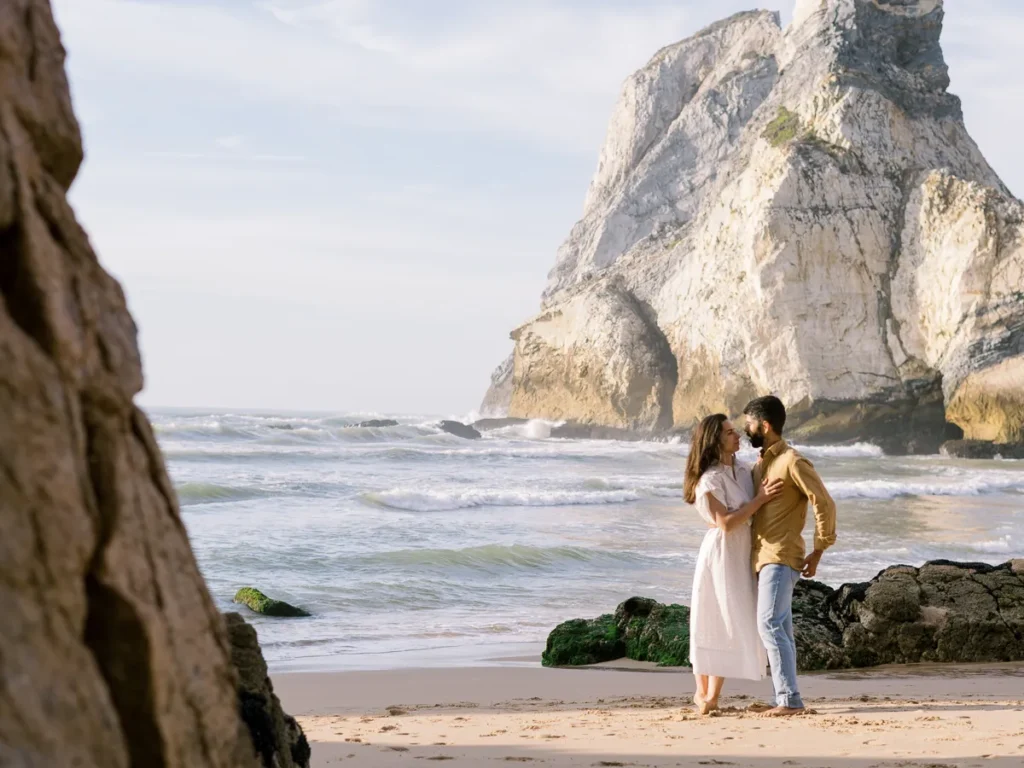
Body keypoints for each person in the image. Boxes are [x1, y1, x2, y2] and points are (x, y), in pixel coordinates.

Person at [743, 395, 837, 718]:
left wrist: (819, 549)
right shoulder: (761, 465)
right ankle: (785, 696)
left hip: (781, 557)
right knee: (781, 628)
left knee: (768, 623)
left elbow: (823, 502)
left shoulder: (792, 461)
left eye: (750, 425)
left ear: (765, 426)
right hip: (763, 557)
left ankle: (789, 700)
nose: (746, 429)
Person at [684, 413, 783, 714]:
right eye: (729, 433)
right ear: (715, 441)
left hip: (743, 553)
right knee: (713, 619)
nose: (736, 435)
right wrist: (759, 501)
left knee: (733, 620)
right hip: (721, 553)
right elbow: (725, 523)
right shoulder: (710, 479)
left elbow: (765, 472)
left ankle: (708, 695)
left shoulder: (742, 470)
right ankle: (705, 695)